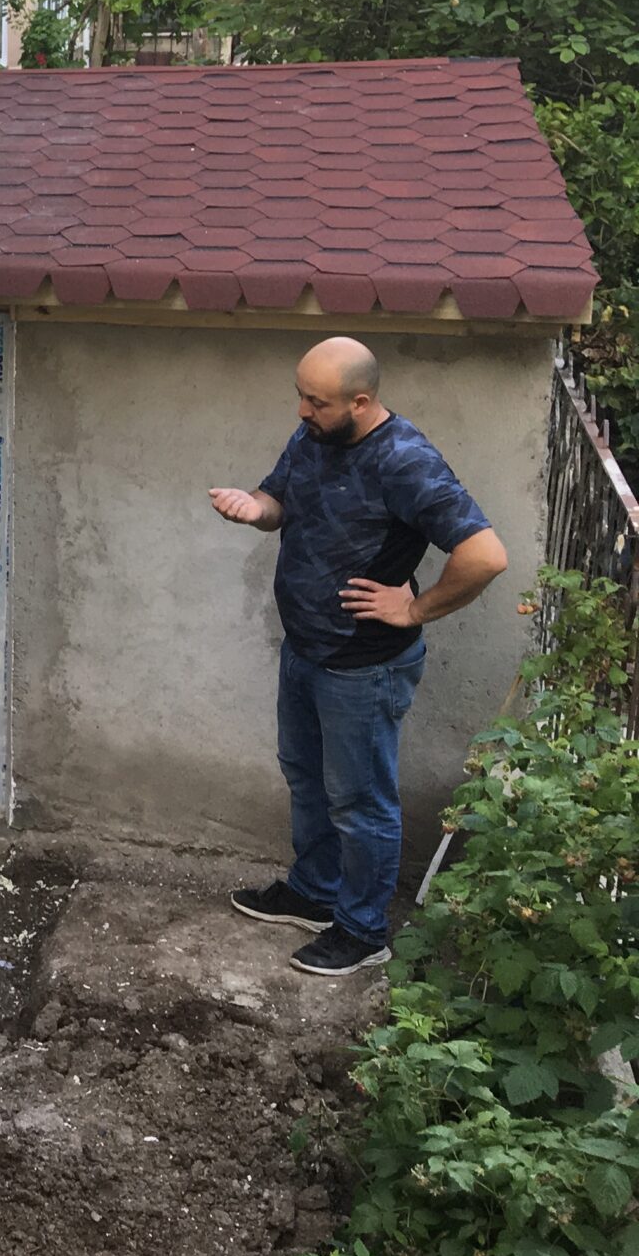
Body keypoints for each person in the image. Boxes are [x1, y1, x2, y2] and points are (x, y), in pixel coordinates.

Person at [210, 336, 508, 976]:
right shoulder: (314, 436)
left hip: (363, 667)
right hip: (306, 649)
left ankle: (364, 931)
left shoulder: (406, 461)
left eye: (316, 402)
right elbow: (277, 500)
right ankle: (314, 894)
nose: (302, 411)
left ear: (362, 402)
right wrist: (254, 507)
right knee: (305, 775)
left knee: (360, 803)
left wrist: (415, 608)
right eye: (301, 396)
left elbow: (485, 556)